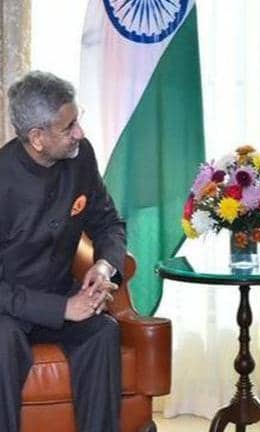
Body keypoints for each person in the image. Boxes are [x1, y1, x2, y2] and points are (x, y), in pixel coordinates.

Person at [0, 71, 125, 432]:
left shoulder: (81, 156)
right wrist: (63, 309)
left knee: (103, 332)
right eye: (68, 127)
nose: (79, 133)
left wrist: (103, 266)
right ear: (37, 138)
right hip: (9, 308)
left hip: (59, 290)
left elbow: (108, 222)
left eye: (77, 120)